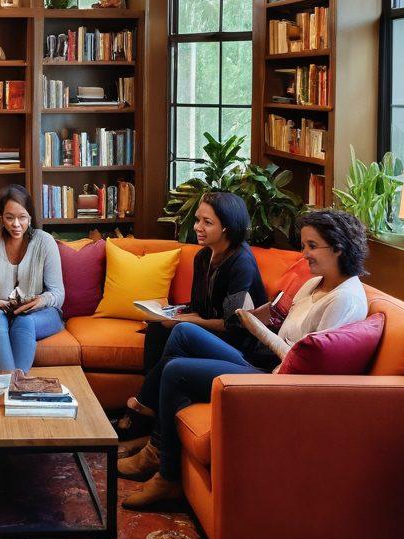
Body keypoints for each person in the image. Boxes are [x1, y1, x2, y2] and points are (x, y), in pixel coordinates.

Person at [119, 209, 370, 511]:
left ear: (339, 247)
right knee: (183, 332)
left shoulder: (344, 299)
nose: (304, 254)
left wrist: (256, 329)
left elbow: (307, 363)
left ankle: (166, 472)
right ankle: (156, 442)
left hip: (280, 382)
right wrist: (258, 316)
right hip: (268, 362)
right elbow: (284, 326)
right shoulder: (313, 284)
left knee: (176, 371)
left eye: (312, 246)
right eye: (304, 245)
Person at [118, 191, 267, 439]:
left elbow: (233, 324)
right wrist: (168, 312)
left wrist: (187, 320)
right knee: (157, 327)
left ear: (228, 227)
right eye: (198, 220)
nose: (197, 227)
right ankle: (149, 406)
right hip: (210, 330)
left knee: (180, 331)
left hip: (237, 343)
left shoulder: (241, 263)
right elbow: (200, 306)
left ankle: (143, 408)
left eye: (207, 222)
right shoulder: (203, 256)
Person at [0, 184, 65, 372]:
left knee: (25, 320)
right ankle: (15, 383)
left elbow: (58, 293)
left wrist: (40, 301)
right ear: (0, 216)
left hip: (37, 314)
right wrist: (0, 305)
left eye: (22, 217)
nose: (16, 224)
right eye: (9, 217)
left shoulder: (45, 242)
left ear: (30, 216)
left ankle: (11, 384)